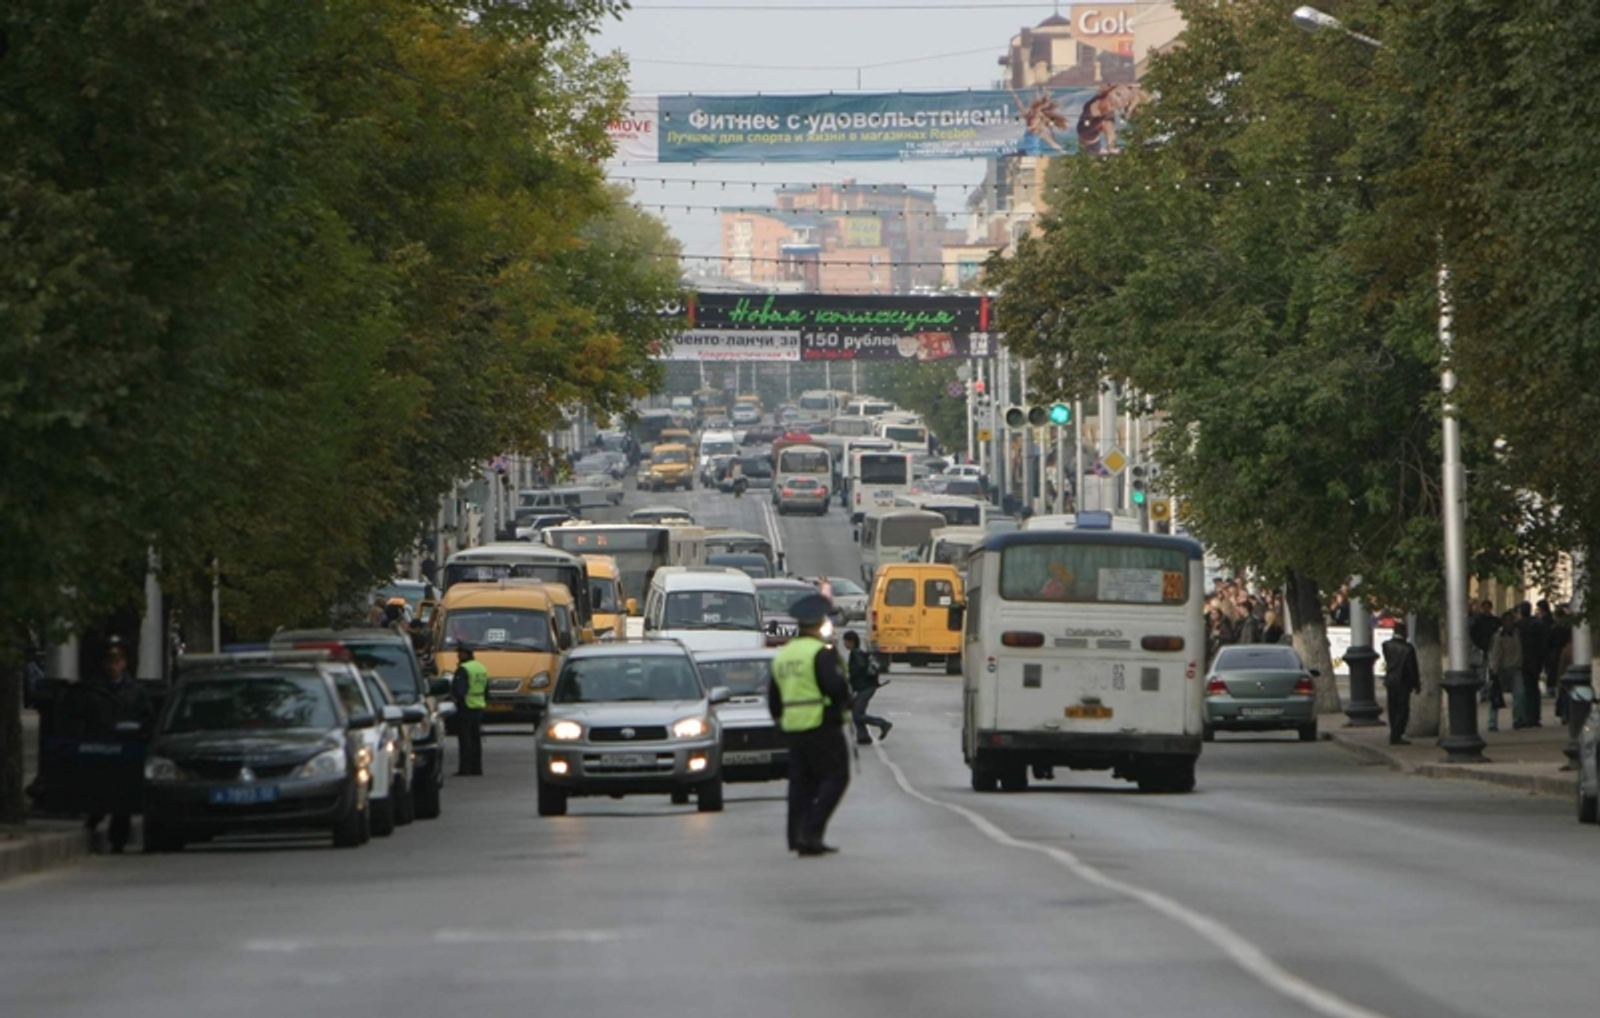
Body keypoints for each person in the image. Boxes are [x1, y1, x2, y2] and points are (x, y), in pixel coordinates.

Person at [769, 594, 852, 857]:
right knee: (837, 776)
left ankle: (797, 836)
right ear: (819, 623)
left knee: (801, 784)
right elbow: (836, 687)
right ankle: (812, 831)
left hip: (794, 729)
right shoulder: (819, 653)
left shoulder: (784, 656)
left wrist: (782, 722)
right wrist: (844, 706)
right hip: (821, 724)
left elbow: (773, 699)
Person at [74, 637, 152, 853]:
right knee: (98, 792)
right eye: (109, 661)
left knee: (122, 799)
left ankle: (118, 840)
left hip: (126, 751)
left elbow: (146, 719)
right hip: (99, 749)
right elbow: (82, 719)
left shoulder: (136, 692)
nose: (113, 665)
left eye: (117, 661)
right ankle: (92, 822)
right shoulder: (93, 691)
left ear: (124, 663)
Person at [842, 631, 891, 746]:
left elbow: (860, 667)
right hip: (866, 687)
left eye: (845, 641)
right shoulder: (859, 652)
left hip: (866, 687)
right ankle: (863, 736)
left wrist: (850, 677)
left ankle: (883, 723)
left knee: (857, 714)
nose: (844, 644)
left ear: (851, 642)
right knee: (856, 711)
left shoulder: (856, 653)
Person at [1380, 620, 1421, 746]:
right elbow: (1411, 668)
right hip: (1403, 682)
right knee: (1403, 709)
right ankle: (1397, 734)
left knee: (1393, 707)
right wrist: (1416, 684)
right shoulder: (1408, 649)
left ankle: (1394, 732)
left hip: (1391, 680)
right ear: (1404, 632)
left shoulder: (1386, 645)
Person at [451, 645, 488, 776]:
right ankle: (477, 768)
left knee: (465, 739)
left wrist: (457, 700)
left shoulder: (464, 669)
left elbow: (459, 690)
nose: (458, 656)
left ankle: (465, 768)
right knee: (476, 739)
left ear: (465, 654)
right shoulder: (481, 668)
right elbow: (486, 689)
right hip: (478, 706)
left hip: (466, 707)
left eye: (459, 653)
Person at [1486, 610, 1520, 733]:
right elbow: (1495, 653)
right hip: (1501, 669)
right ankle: (1492, 722)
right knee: (1495, 696)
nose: (1509, 623)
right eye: (1507, 621)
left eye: (1511, 620)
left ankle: (1517, 720)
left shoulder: (1518, 634)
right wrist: (1494, 669)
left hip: (1516, 667)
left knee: (1519, 695)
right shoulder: (1499, 636)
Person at [1515, 601, 1545, 728]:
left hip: (1522, 660)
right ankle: (1535, 717)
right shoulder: (1538, 625)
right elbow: (1543, 642)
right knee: (1534, 688)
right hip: (1536, 660)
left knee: (1524, 690)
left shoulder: (1518, 626)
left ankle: (1526, 716)